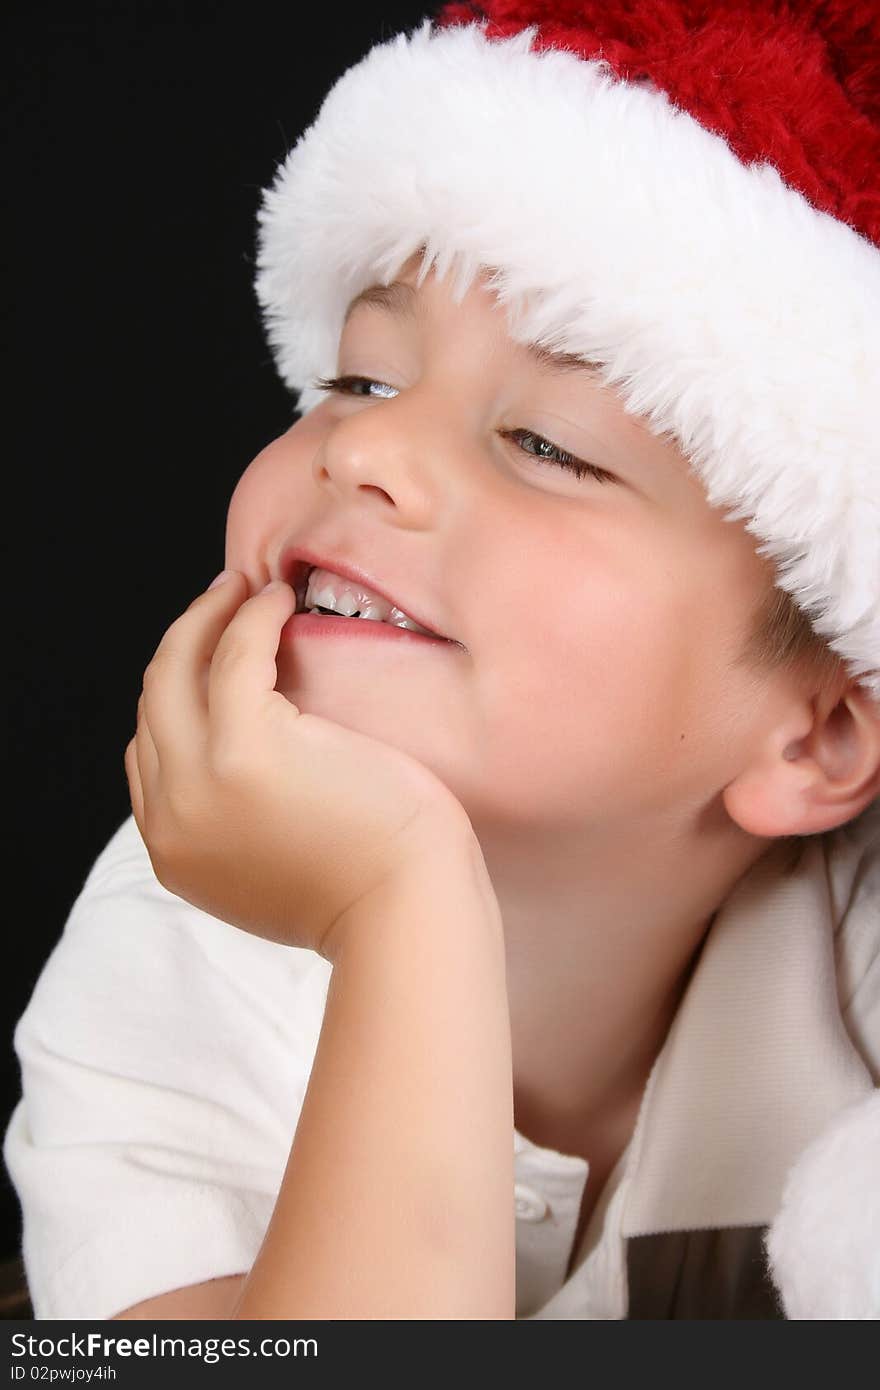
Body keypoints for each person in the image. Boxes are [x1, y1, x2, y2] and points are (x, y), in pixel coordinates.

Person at [4, 0, 879, 1320]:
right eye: (359, 379)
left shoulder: (848, 932)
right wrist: (394, 904)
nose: (363, 449)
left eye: (549, 445)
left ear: (817, 736)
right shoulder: (174, 942)